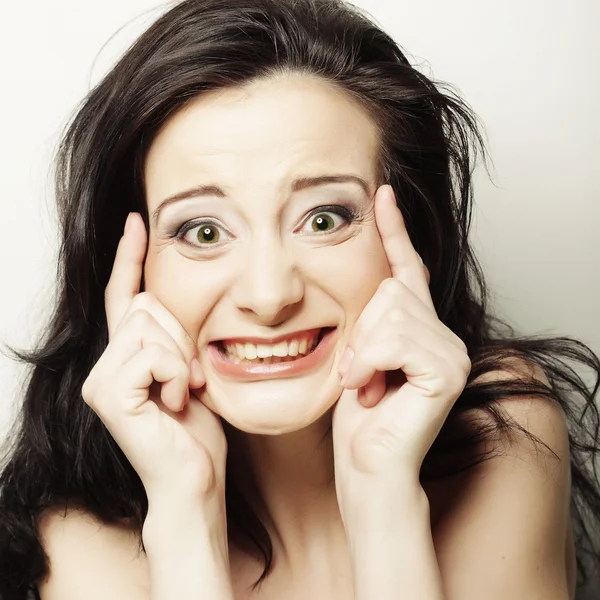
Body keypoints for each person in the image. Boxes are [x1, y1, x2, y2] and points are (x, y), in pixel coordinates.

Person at [0, 0, 599, 598]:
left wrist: (384, 498)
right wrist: (186, 515)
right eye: (203, 231)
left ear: (410, 236)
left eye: (323, 219)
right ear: (128, 271)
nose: (269, 296)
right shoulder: (77, 542)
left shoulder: (503, 436)